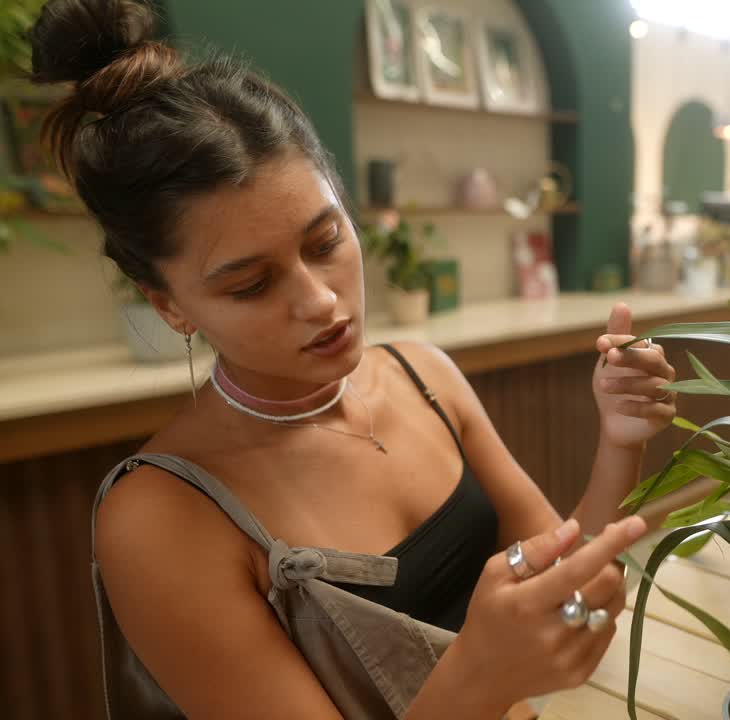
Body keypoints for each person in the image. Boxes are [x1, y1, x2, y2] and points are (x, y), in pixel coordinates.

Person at [28, 1, 677, 717]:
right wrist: (483, 677)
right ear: (170, 305)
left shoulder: (424, 376)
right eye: (251, 284)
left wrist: (619, 439)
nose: (320, 302)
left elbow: (564, 577)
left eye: (325, 242)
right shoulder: (158, 518)